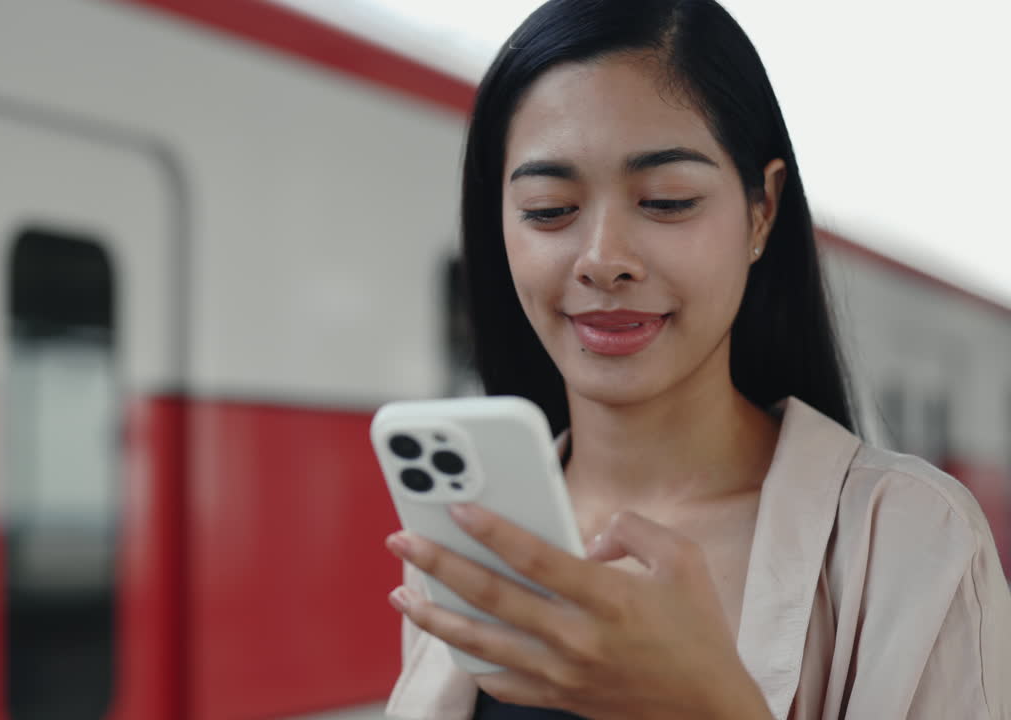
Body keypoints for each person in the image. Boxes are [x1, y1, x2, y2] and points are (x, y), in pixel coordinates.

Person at [381, 1, 1011, 718]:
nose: (603, 260)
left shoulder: (914, 540)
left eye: (666, 200)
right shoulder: (476, 532)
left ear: (762, 210)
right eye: (549, 209)